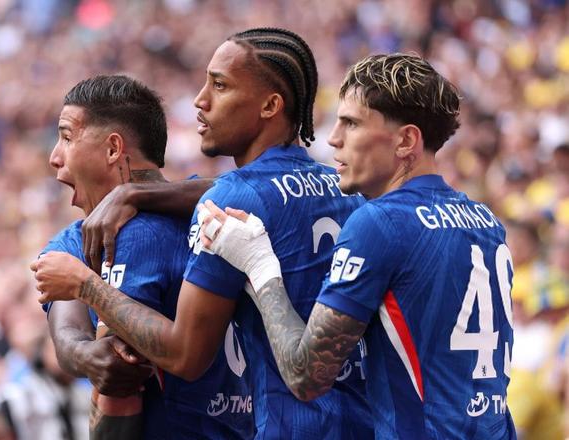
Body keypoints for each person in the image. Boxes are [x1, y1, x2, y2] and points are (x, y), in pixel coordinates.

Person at [32, 28, 373, 439]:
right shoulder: (347, 191)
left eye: (220, 85)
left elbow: (183, 356)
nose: (200, 100)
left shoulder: (223, 202)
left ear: (270, 105)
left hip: (292, 425)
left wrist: (87, 286)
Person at [198, 53, 517, 439]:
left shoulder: (380, 222)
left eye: (351, 123)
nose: (333, 138)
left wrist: (259, 264)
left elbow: (305, 376)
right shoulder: (486, 221)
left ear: (405, 140)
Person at [33, 75, 253, 439]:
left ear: (113, 149)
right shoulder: (216, 208)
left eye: (67, 138)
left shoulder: (131, 236)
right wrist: (86, 354)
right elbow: (67, 333)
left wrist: (132, 195)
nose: (54, 157)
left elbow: (119, 395)